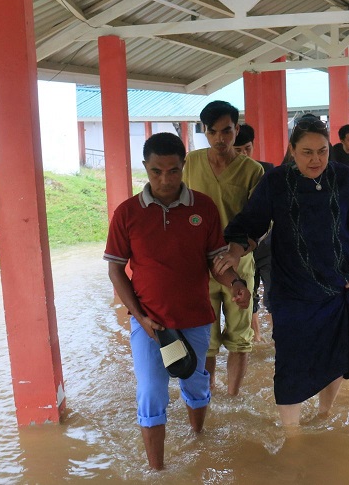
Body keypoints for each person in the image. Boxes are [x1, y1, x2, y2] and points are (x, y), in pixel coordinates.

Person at [104, 132, 251, 470]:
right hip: (150, 324)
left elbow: (218, 262)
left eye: (172, 171)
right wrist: (141, 318)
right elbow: (115, 270)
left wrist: (236, 284)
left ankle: (199, 436)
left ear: (183, 167)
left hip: (195, 319)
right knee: (152, 392)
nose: (165, 179)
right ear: (146, 168)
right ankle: (158, 471)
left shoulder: (203, 207)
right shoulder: (127, 213)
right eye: (156, 171)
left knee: (196, 382)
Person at [214, 117, 349, 428]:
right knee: (290, 361)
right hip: (290, 289)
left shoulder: (343, 177)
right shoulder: (275, 182)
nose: (316, 159)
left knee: (337, 355)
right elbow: (251, 224)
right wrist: (234, 252)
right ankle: (292, 438)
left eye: (322, 151)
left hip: (337, 285)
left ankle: (324, 414)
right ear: (292, 150)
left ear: (331, 149)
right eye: (306, 152)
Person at [182, 100, 265, 396]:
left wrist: (238, 250)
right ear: (204, 131)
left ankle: (232, 399)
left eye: (227, 131)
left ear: (236, 130)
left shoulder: (253, 171)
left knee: (240, 338)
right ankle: (207, 396)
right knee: (205, 339)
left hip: (239, 264)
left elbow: (261, 221)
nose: (220, 138)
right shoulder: (190, 163)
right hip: (197, 267)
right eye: (213, 131)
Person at [233, 123, 274, 342]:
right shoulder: (225, 174)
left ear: (253, 146)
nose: (243, 154)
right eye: (237, 150)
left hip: (267, 244)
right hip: (239, 247)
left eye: (247, 149)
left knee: (274, 291)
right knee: (248, 293)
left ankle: (280, 337)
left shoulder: (268, 170)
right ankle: (256, 336)